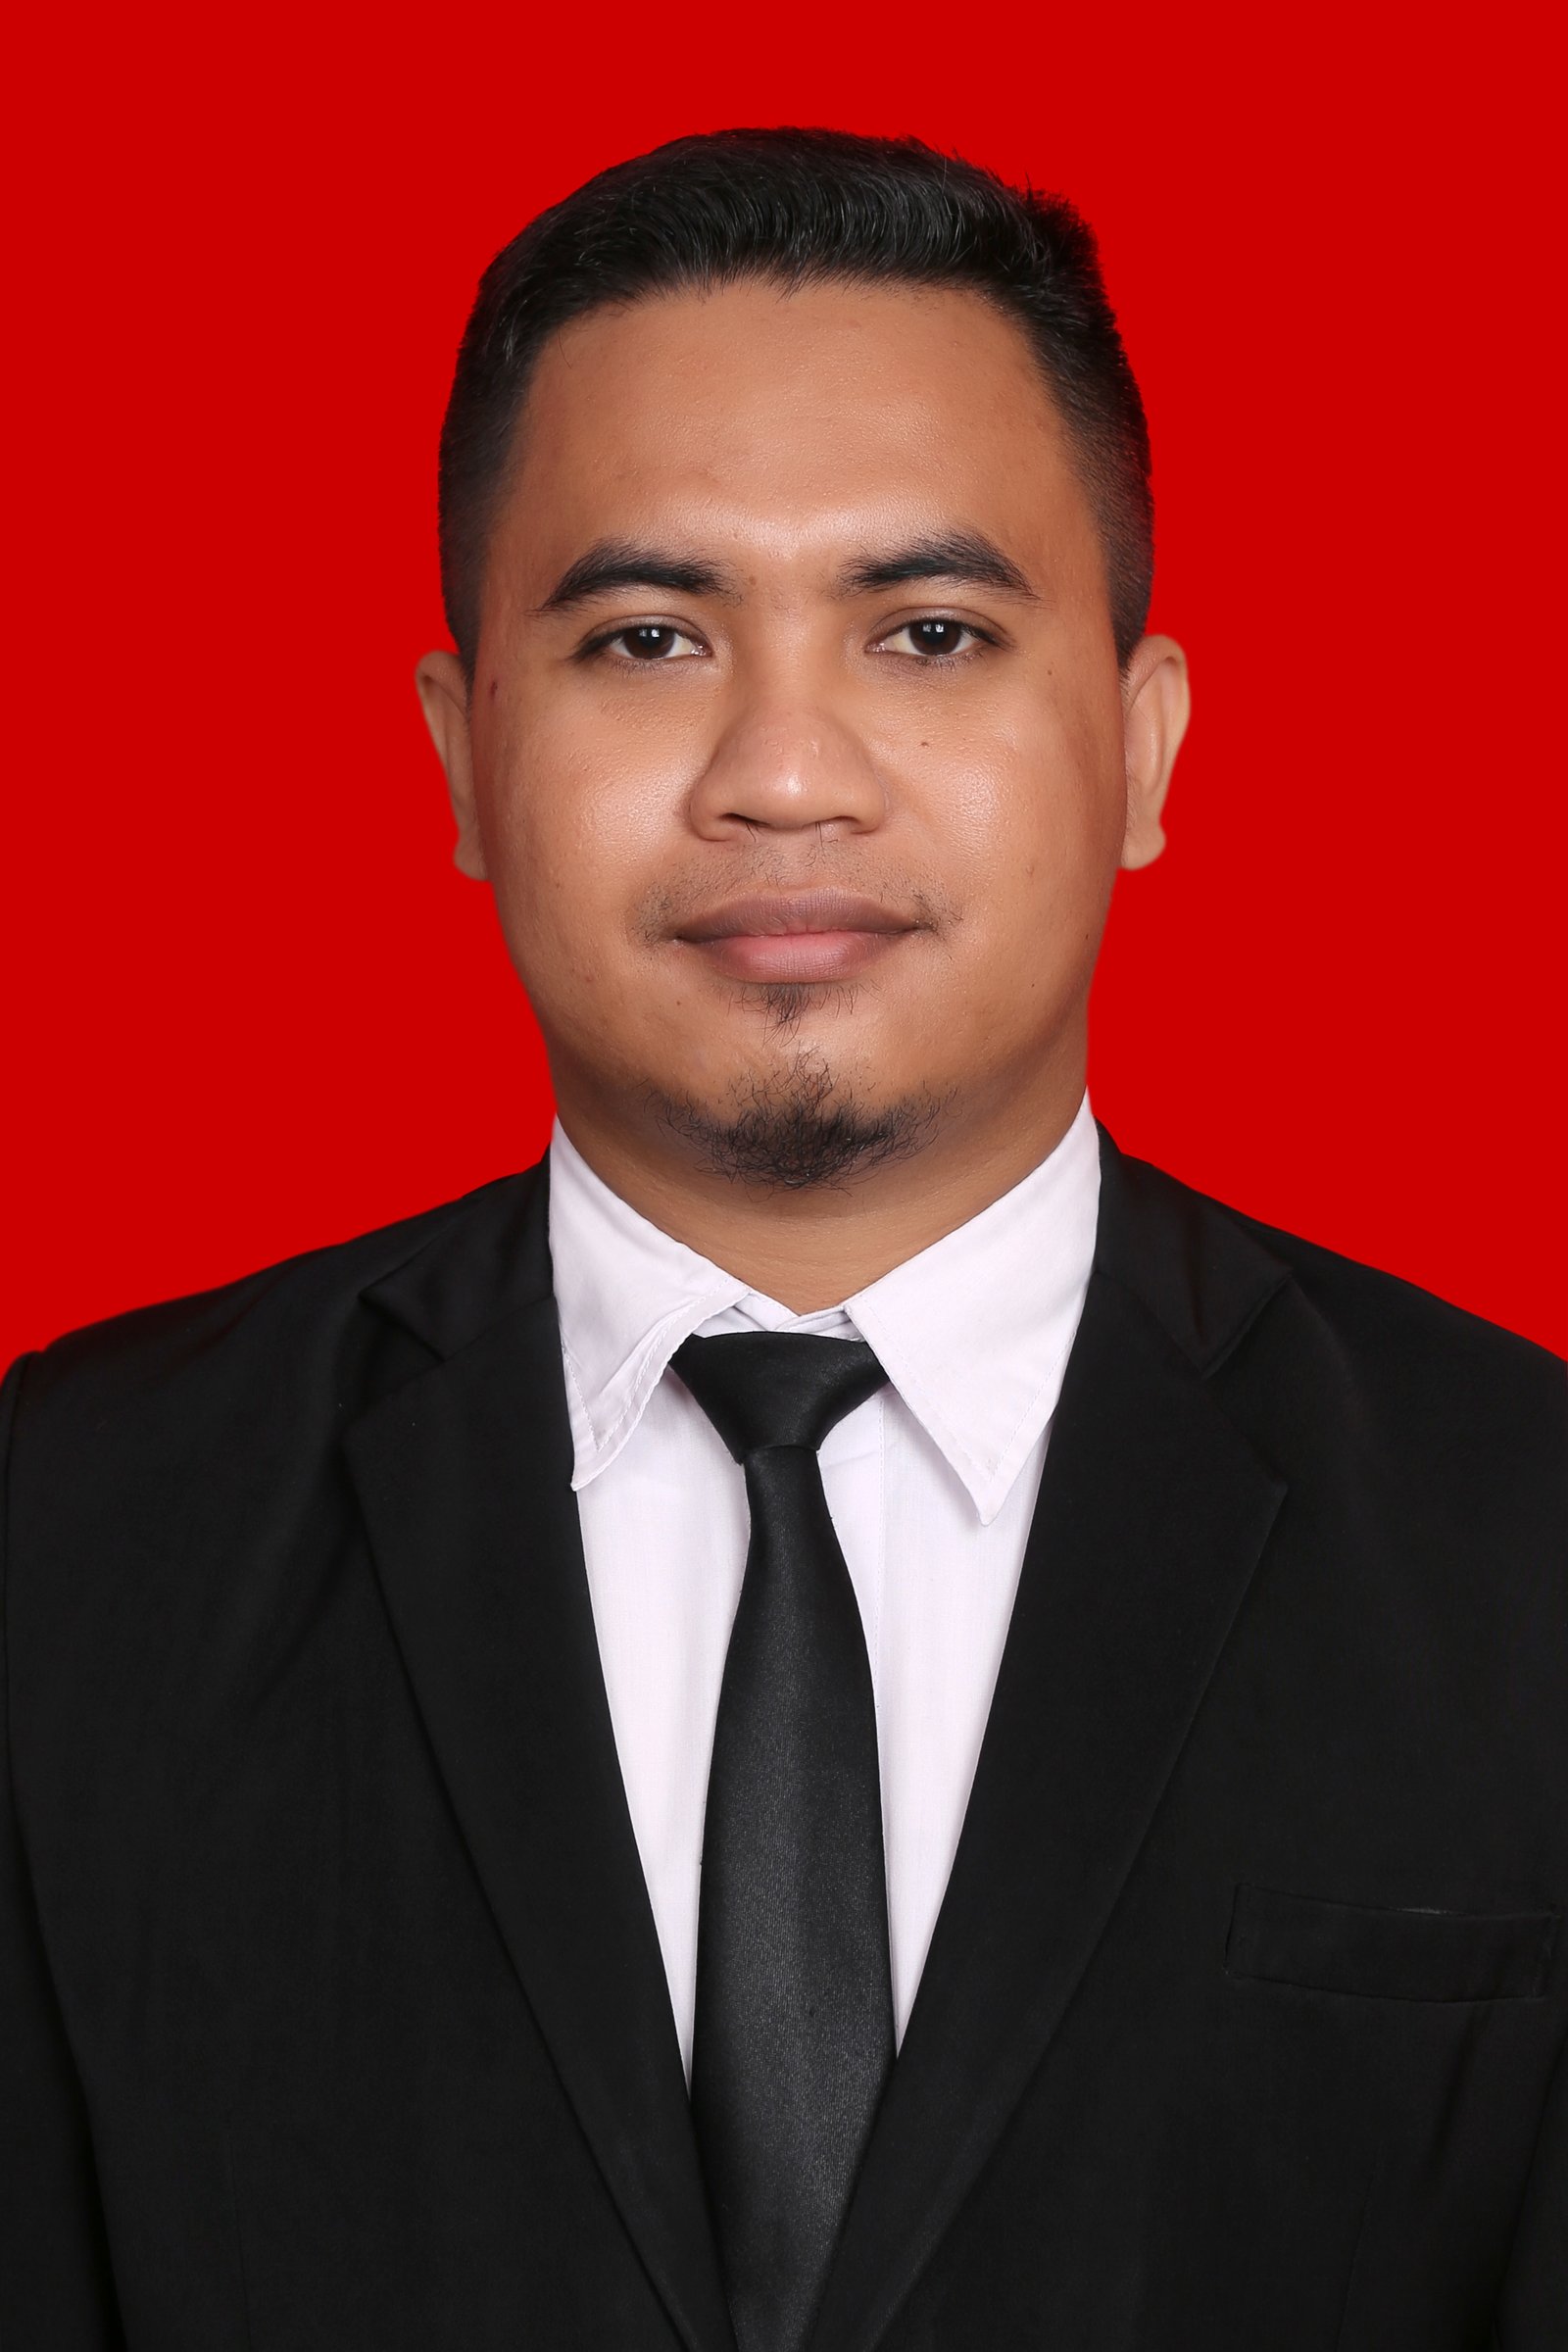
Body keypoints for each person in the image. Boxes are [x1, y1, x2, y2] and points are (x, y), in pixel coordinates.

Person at [1, 126, 1562, 2352]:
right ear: (462, 755)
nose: (786, 772)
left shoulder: (1519, 1538)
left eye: (928, 632)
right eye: (648, 637)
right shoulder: (79, 1527)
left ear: (1139, 747)